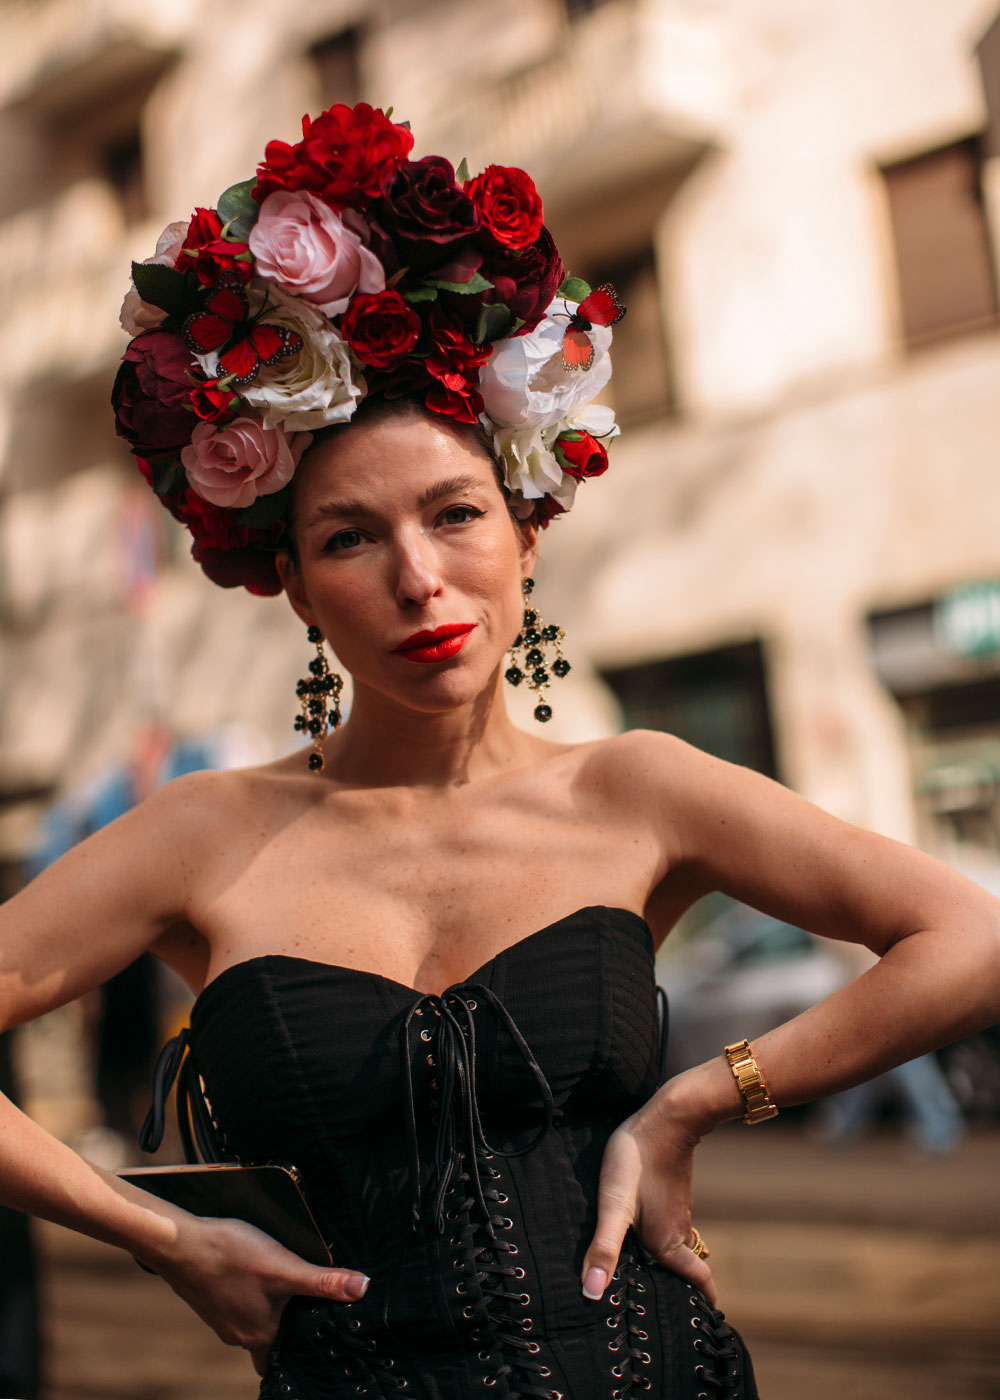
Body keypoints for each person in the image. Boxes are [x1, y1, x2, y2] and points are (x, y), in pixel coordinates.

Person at [2, 101, 999, 1400]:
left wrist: (707, 1097)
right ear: (295, 586)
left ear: (527, 532)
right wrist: (162, 1238)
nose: (422, 578)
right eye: (352, 538)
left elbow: (970, 939)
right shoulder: (202, 832)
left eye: (455, 513)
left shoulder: (637, 788)